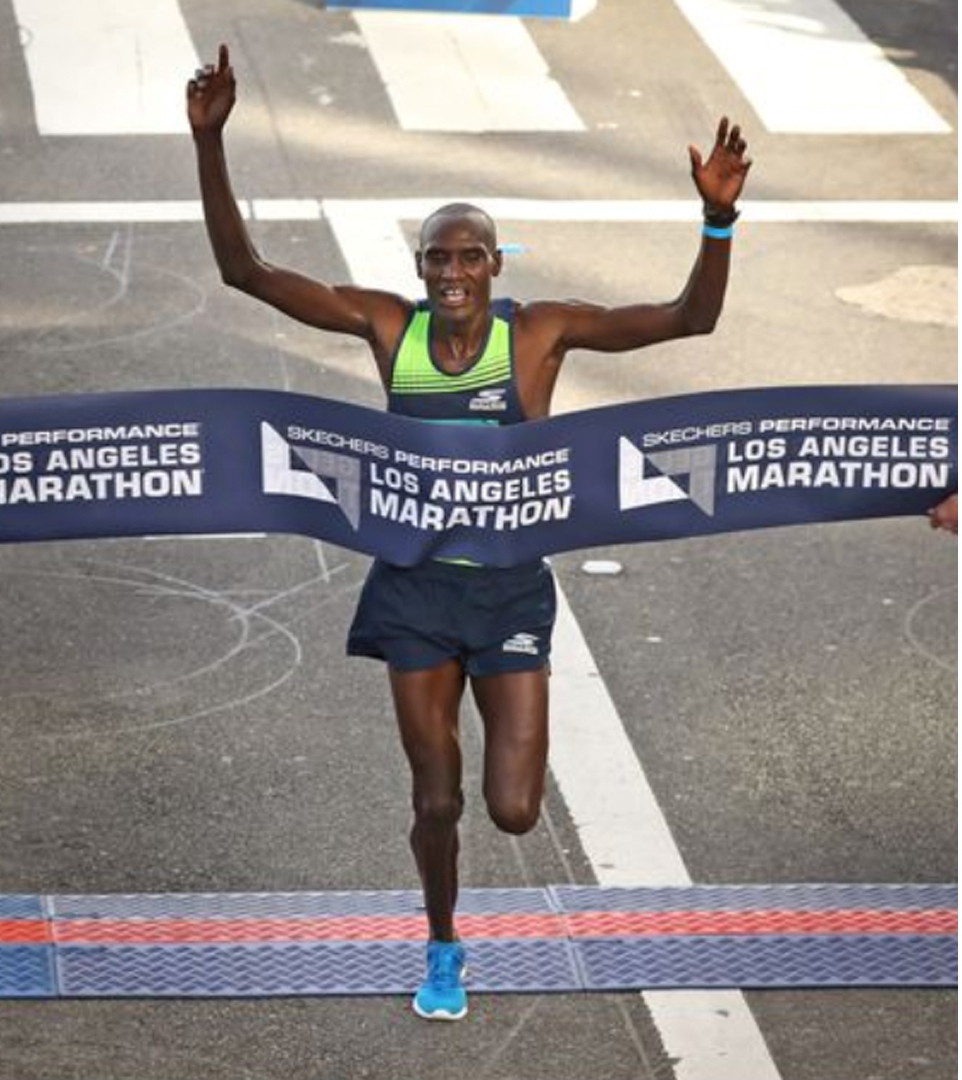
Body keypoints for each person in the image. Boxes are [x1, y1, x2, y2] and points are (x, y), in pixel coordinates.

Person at [187, 44, 751, 1021]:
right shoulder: (386, 327)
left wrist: (716, 218)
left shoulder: (537, 334)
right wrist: (211, 142)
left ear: (496, 266)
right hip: (413, 591)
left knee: (514, 811)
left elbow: (688, 320)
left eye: (469, 257)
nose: (453, 272)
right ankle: (443, 947)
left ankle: (502, 750)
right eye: (438, 258)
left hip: (506, 590)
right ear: (421, 270)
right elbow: (245, 271)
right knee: (437, 801)